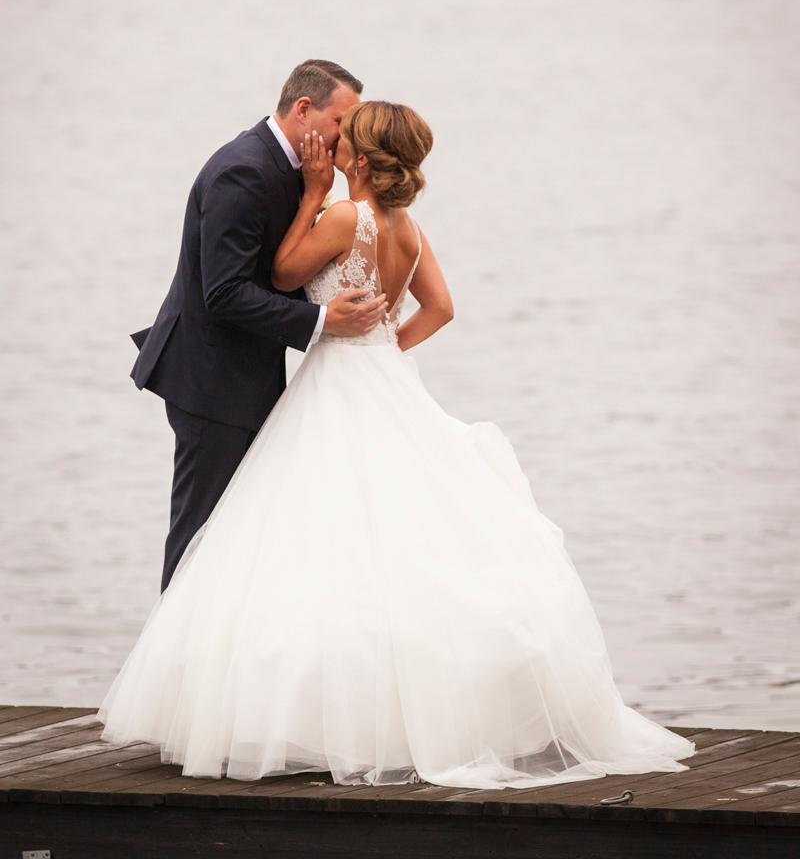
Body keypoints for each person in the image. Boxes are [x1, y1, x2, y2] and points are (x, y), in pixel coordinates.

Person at [99, 100, 695, 790]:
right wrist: (383, 349)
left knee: (313, 536)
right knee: (401, 533)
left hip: (336, 382)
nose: (334, 145)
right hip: (385, 377)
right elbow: (441, 308)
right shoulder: (407, 227)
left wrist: (315, 197)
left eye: (344, 141)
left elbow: (287, 274)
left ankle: (305, 715)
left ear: (359, 157)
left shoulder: (344, 217)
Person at [128, 60, 387, 592]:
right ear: (303, 109)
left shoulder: (301, 172)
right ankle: (171, 667)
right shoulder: (243, 171)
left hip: (252, 380)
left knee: (241, 542)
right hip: (211, 383)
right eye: (343, 120)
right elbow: (222, 294)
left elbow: (284, 268)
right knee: (199, 540)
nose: (350, 135)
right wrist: (323, 319)